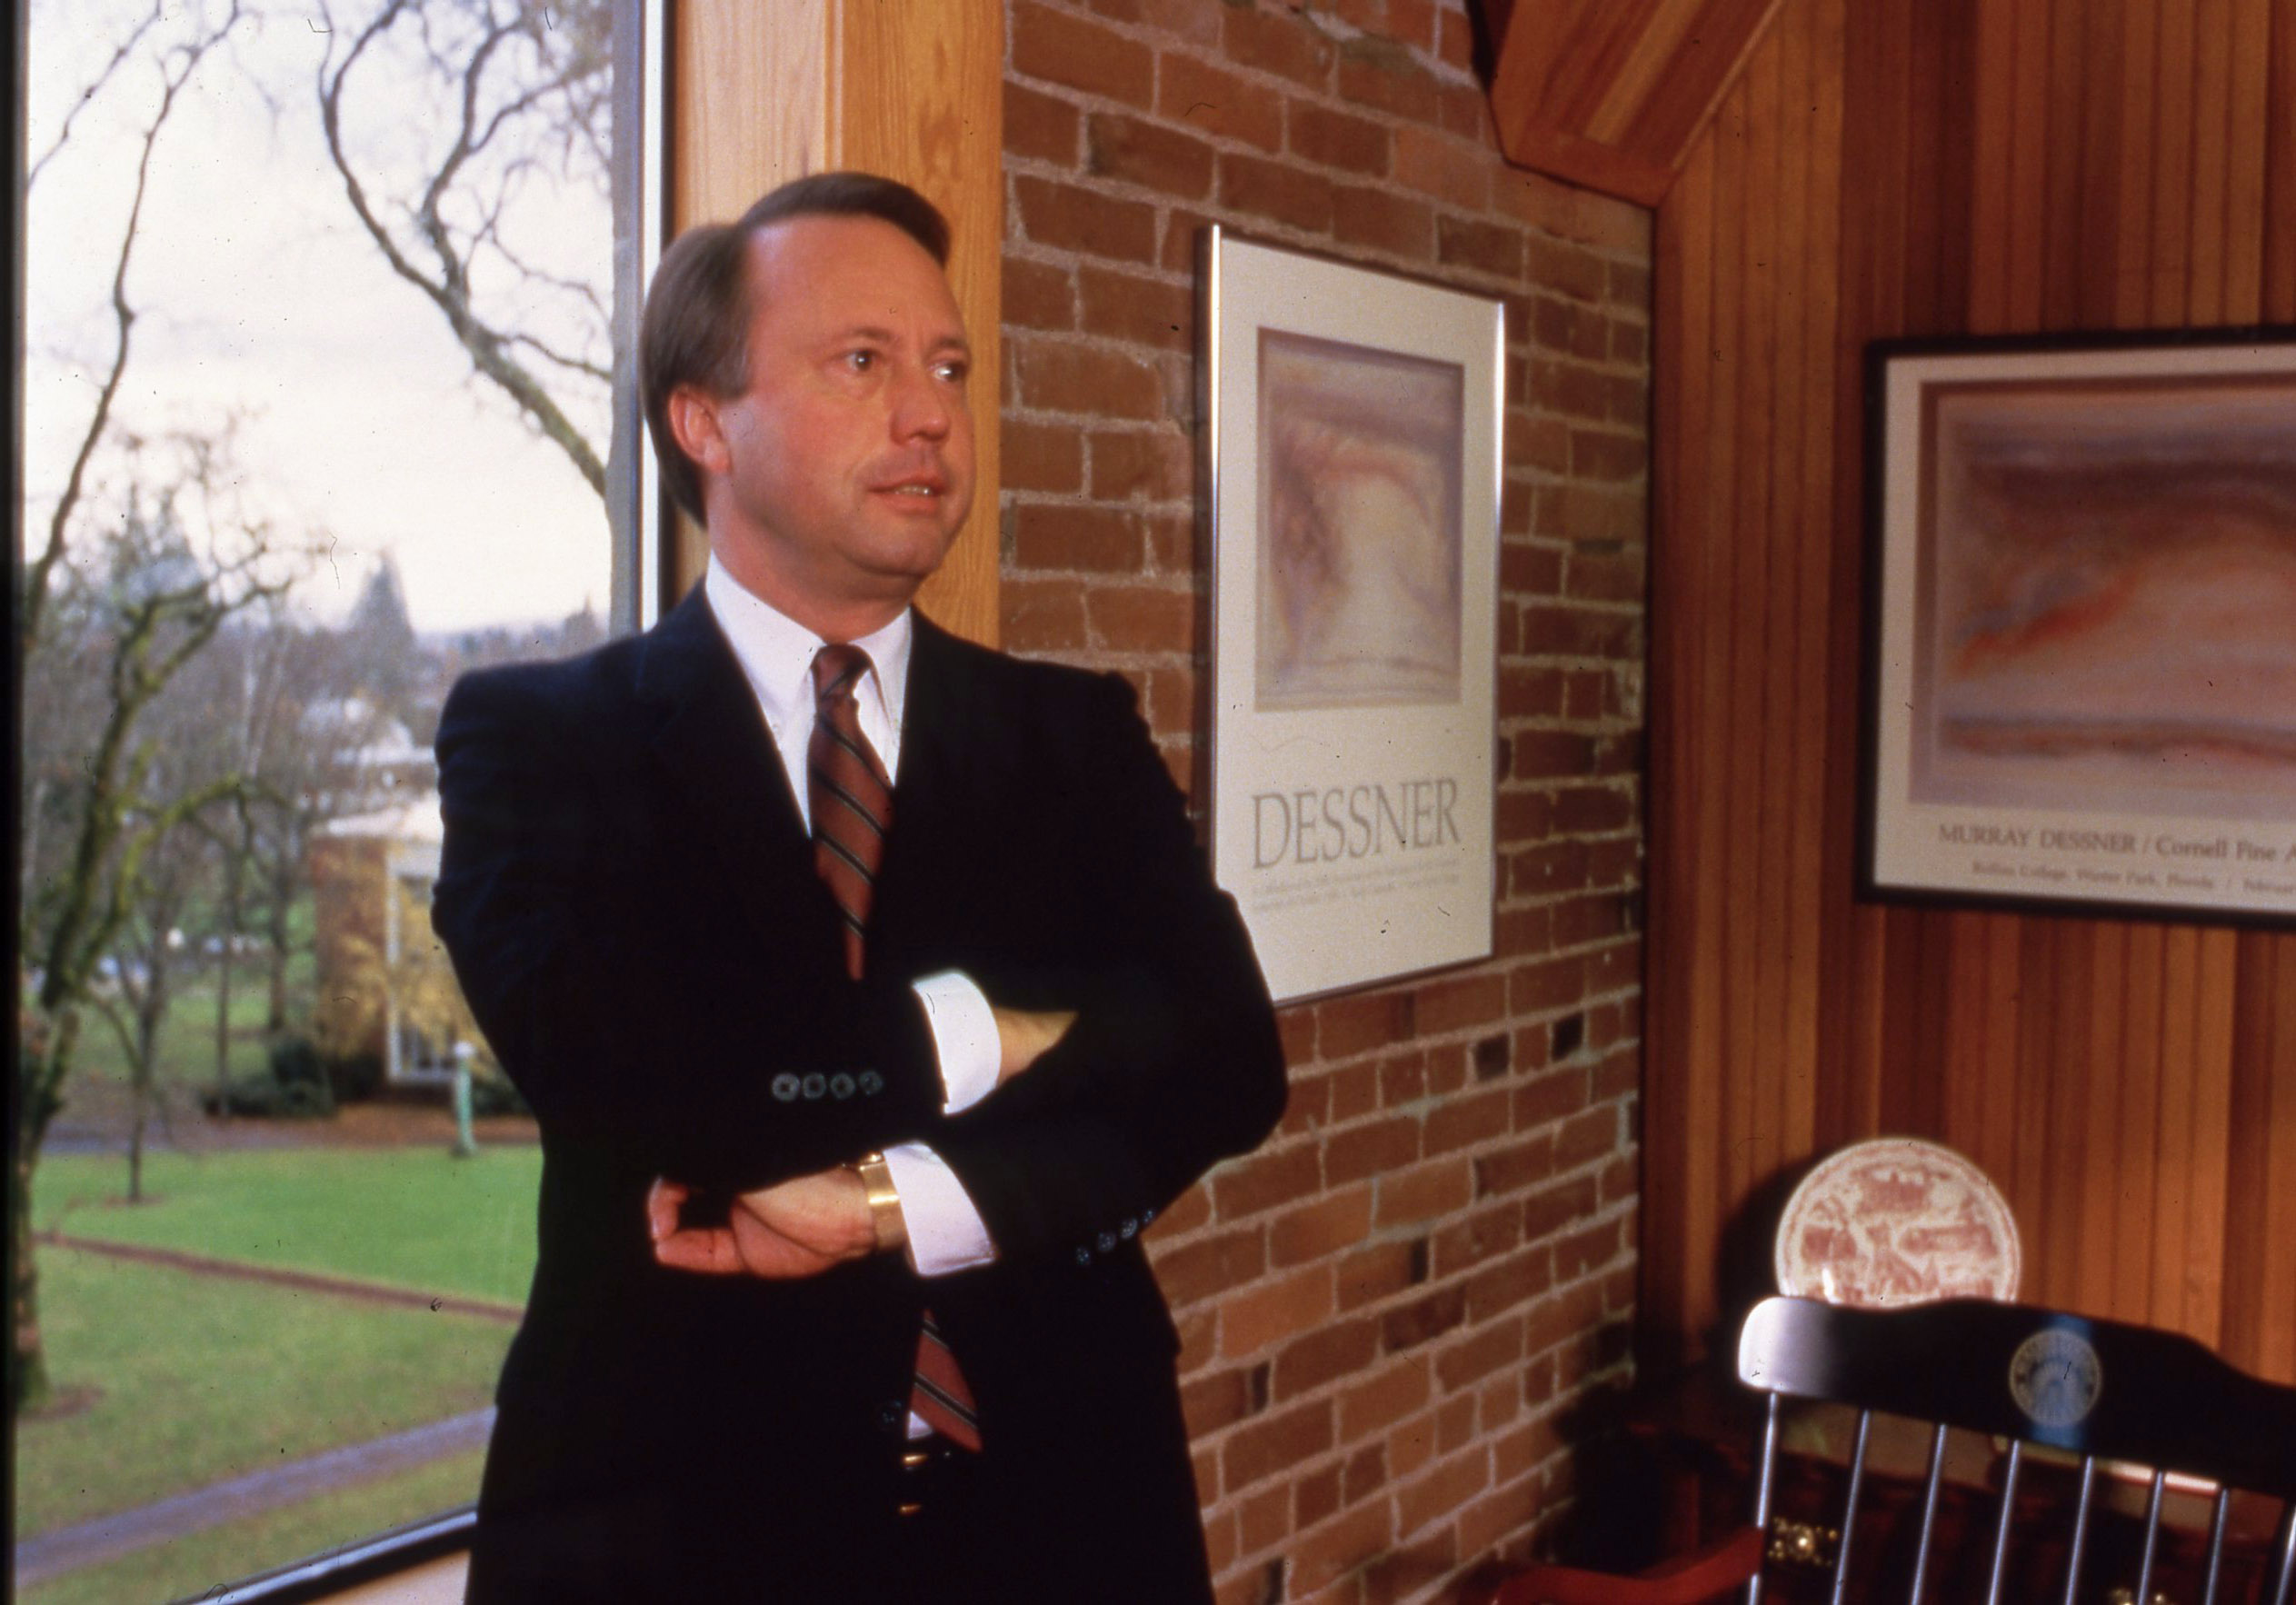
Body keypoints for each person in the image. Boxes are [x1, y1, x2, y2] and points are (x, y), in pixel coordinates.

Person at [430, 171, 1287, 1602]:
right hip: (676, 1543)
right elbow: (632, 1073)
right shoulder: (538, 741)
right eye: (862, 361)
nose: (929, 414)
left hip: (1069, 1521)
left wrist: (893, 1199)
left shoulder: (1073, 737)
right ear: (703, 422)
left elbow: (1228, 1061)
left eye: (947, 367)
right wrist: (997, 1032)